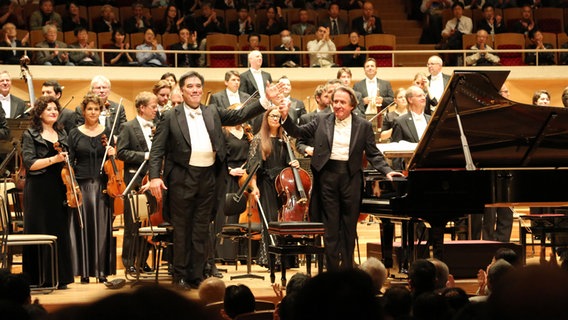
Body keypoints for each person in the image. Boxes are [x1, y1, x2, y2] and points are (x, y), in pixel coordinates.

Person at [148, 71, 282, 290]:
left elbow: (240, 116)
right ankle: (180, 276)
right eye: (190, 86)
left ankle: (198, 275)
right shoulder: (170, 116)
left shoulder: (212, 111)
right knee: (182, 228)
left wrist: (266, 100)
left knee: (202, 228)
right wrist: (154, 176)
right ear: (182, 91)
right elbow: (157, 150)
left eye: (198, 86)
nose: (195, 90)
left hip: (209, 177)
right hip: (182, 177)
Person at [279, 85, 403, 271]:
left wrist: (387, 171)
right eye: (335, 101)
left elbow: (373, 153)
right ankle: (333, 272)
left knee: (349, 226)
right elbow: (298, 132)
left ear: (352, 105)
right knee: (331, 227)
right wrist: (284, 117)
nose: (337, 105)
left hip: (350, 178)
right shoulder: (321, 119)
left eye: (342, 102)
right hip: (327, 177)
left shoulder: (364, 125)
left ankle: (347, 269)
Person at [21, 95, 74, 289]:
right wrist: (54, 160)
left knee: (59, 231)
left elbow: (68, 160)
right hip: (39, 190)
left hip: (60, 187)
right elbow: (30, 164)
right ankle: (38, 278)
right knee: (39, 229)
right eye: (48, 109)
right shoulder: (30, 134)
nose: (53, 111)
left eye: (55, 109)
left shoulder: (62, 133)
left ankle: (60, 278)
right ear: (40, 112)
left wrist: (66, 161)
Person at [67, 93, 115, 284]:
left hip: (103, 185)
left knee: (102, 228)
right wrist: (73, 184)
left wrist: (113, 152)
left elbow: (114, 163)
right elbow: (70, 160)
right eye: (90, 109)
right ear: (83, 111)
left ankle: (101, 270)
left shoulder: (107, 131)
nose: (93, 112)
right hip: (82, 185)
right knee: (83, 228)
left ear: (100, 110)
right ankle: (85, 271)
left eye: (96, 109)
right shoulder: (74, 133)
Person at [248, 105, 301, 267]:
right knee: (270, 221)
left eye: (278, 116)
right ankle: (271, 259)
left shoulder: (285, 139)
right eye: (272, 116)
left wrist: (296, 163)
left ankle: (286, 260)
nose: (275, 119)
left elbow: (290, 162)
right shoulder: (258, 139)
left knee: (284, 220)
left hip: (284, 186)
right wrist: (254, 187)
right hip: (267, 184)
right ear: (266, 118)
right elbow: (253, 167)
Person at [117, 91, 158, 276]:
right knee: (132, 224)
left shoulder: (158, 125)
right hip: (135, 180)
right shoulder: (128, 127)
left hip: (153, 180)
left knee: (149, 223)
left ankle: (143, 261)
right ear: (142, 108)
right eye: (153, 106)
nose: (156, 110)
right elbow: (122, 153)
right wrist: (145, 156)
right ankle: (129, 262)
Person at [296, 85, 331, 157]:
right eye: (326, 96)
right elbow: (299, 143)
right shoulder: (306, 118)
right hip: (312, 160)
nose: (329, 99)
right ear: (318, 98)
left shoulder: (336, 116)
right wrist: (307, 149)